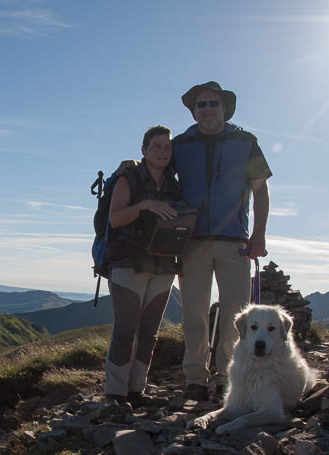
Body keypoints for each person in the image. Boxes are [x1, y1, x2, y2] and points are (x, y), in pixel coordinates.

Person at [172, 81, 272, 401]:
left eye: (213, 103)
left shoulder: (246, 141)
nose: (207, 109)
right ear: (194, 109)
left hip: (235, 241)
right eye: (201, 104)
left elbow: (261, 189)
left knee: (235, 313)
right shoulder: (181, 144)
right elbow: (156, 173)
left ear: (224, 107)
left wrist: (259, 235)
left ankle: (227, 377)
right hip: (191, 241)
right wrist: (129, 167)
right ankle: (195, 379)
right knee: (193, 312)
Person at [104, 125, 183, 405]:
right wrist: (145, 204)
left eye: (167, 147)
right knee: (126, 330)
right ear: (144, 150)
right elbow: (115, 219)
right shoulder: (129, 178)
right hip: (127, 262)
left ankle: (137, 390)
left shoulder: (174, 184)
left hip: (163, 265)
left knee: (149, 332)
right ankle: (115, 392)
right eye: (156, 146)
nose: (162, 151)